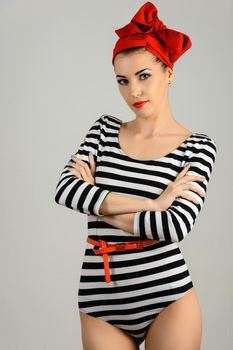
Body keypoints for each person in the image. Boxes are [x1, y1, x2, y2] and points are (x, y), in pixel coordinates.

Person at [54, 2, 217, 349]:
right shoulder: (101, 130)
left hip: (167, 297)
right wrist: (153, 203)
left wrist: (96, 199)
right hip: (100, 299)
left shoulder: (198, 147)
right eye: (123, 81)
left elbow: (174, 227)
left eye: (144, 76)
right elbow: (66, 190)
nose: (134, 92)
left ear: (169, 73)